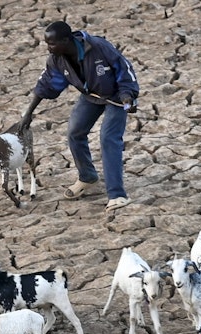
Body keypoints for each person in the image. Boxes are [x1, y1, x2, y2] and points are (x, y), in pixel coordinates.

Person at [26, 21, 140, 210]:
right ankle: (87, 176)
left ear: (66, 40)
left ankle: (117, 195)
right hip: (91, 96)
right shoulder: (57, 58)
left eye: (52, 43)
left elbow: (124, 69)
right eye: (47, 43)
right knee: (74, 132)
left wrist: (128, 95)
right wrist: (28, 114)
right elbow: (47, 84)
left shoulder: (98, 47)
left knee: (108, 138)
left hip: (117, 96)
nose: (48, 48)